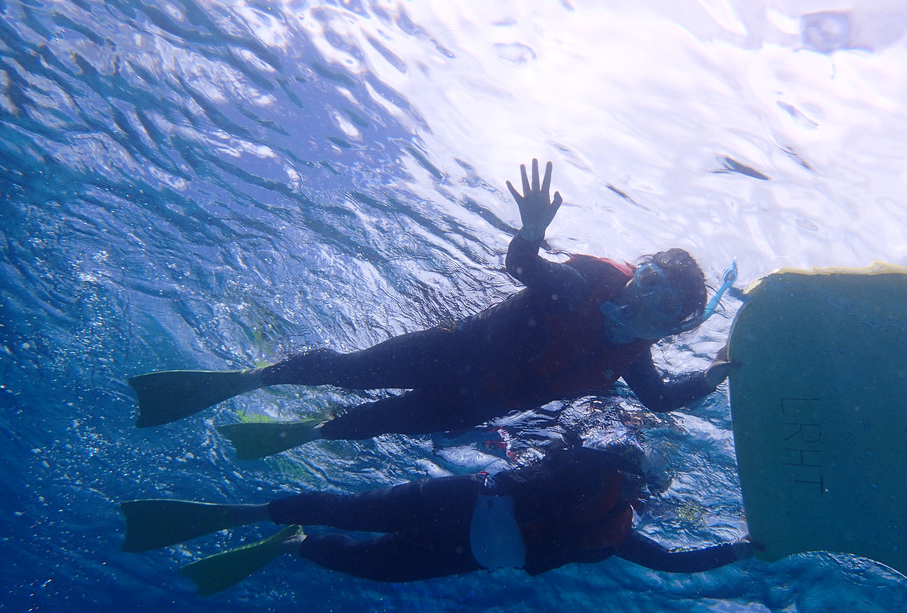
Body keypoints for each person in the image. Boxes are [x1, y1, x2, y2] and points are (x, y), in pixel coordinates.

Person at [128, 159, 735, 459]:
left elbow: (657, 399)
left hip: (475, 404)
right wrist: (528, 231)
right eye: (649, 282)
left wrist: (719, 371)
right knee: (347, 370)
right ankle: (252, 379)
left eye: (664, 310)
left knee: (375, 424)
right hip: (447, 352)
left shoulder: (632, 357)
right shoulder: (584, 285)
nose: (644, 303)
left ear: (671, 328)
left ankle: (309, 430)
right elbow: (525, 269)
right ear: (639, 270)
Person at [120, 446, 757, 596]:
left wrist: (748, 548)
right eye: (642, 483)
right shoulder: (594, 474)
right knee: (354, 510)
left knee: (374, 568)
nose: (640, 495)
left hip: (471, 555)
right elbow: (563, 455)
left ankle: (293, 544)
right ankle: (258, 513)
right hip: (462, 504)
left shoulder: (619, 531)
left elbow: (676, 562)